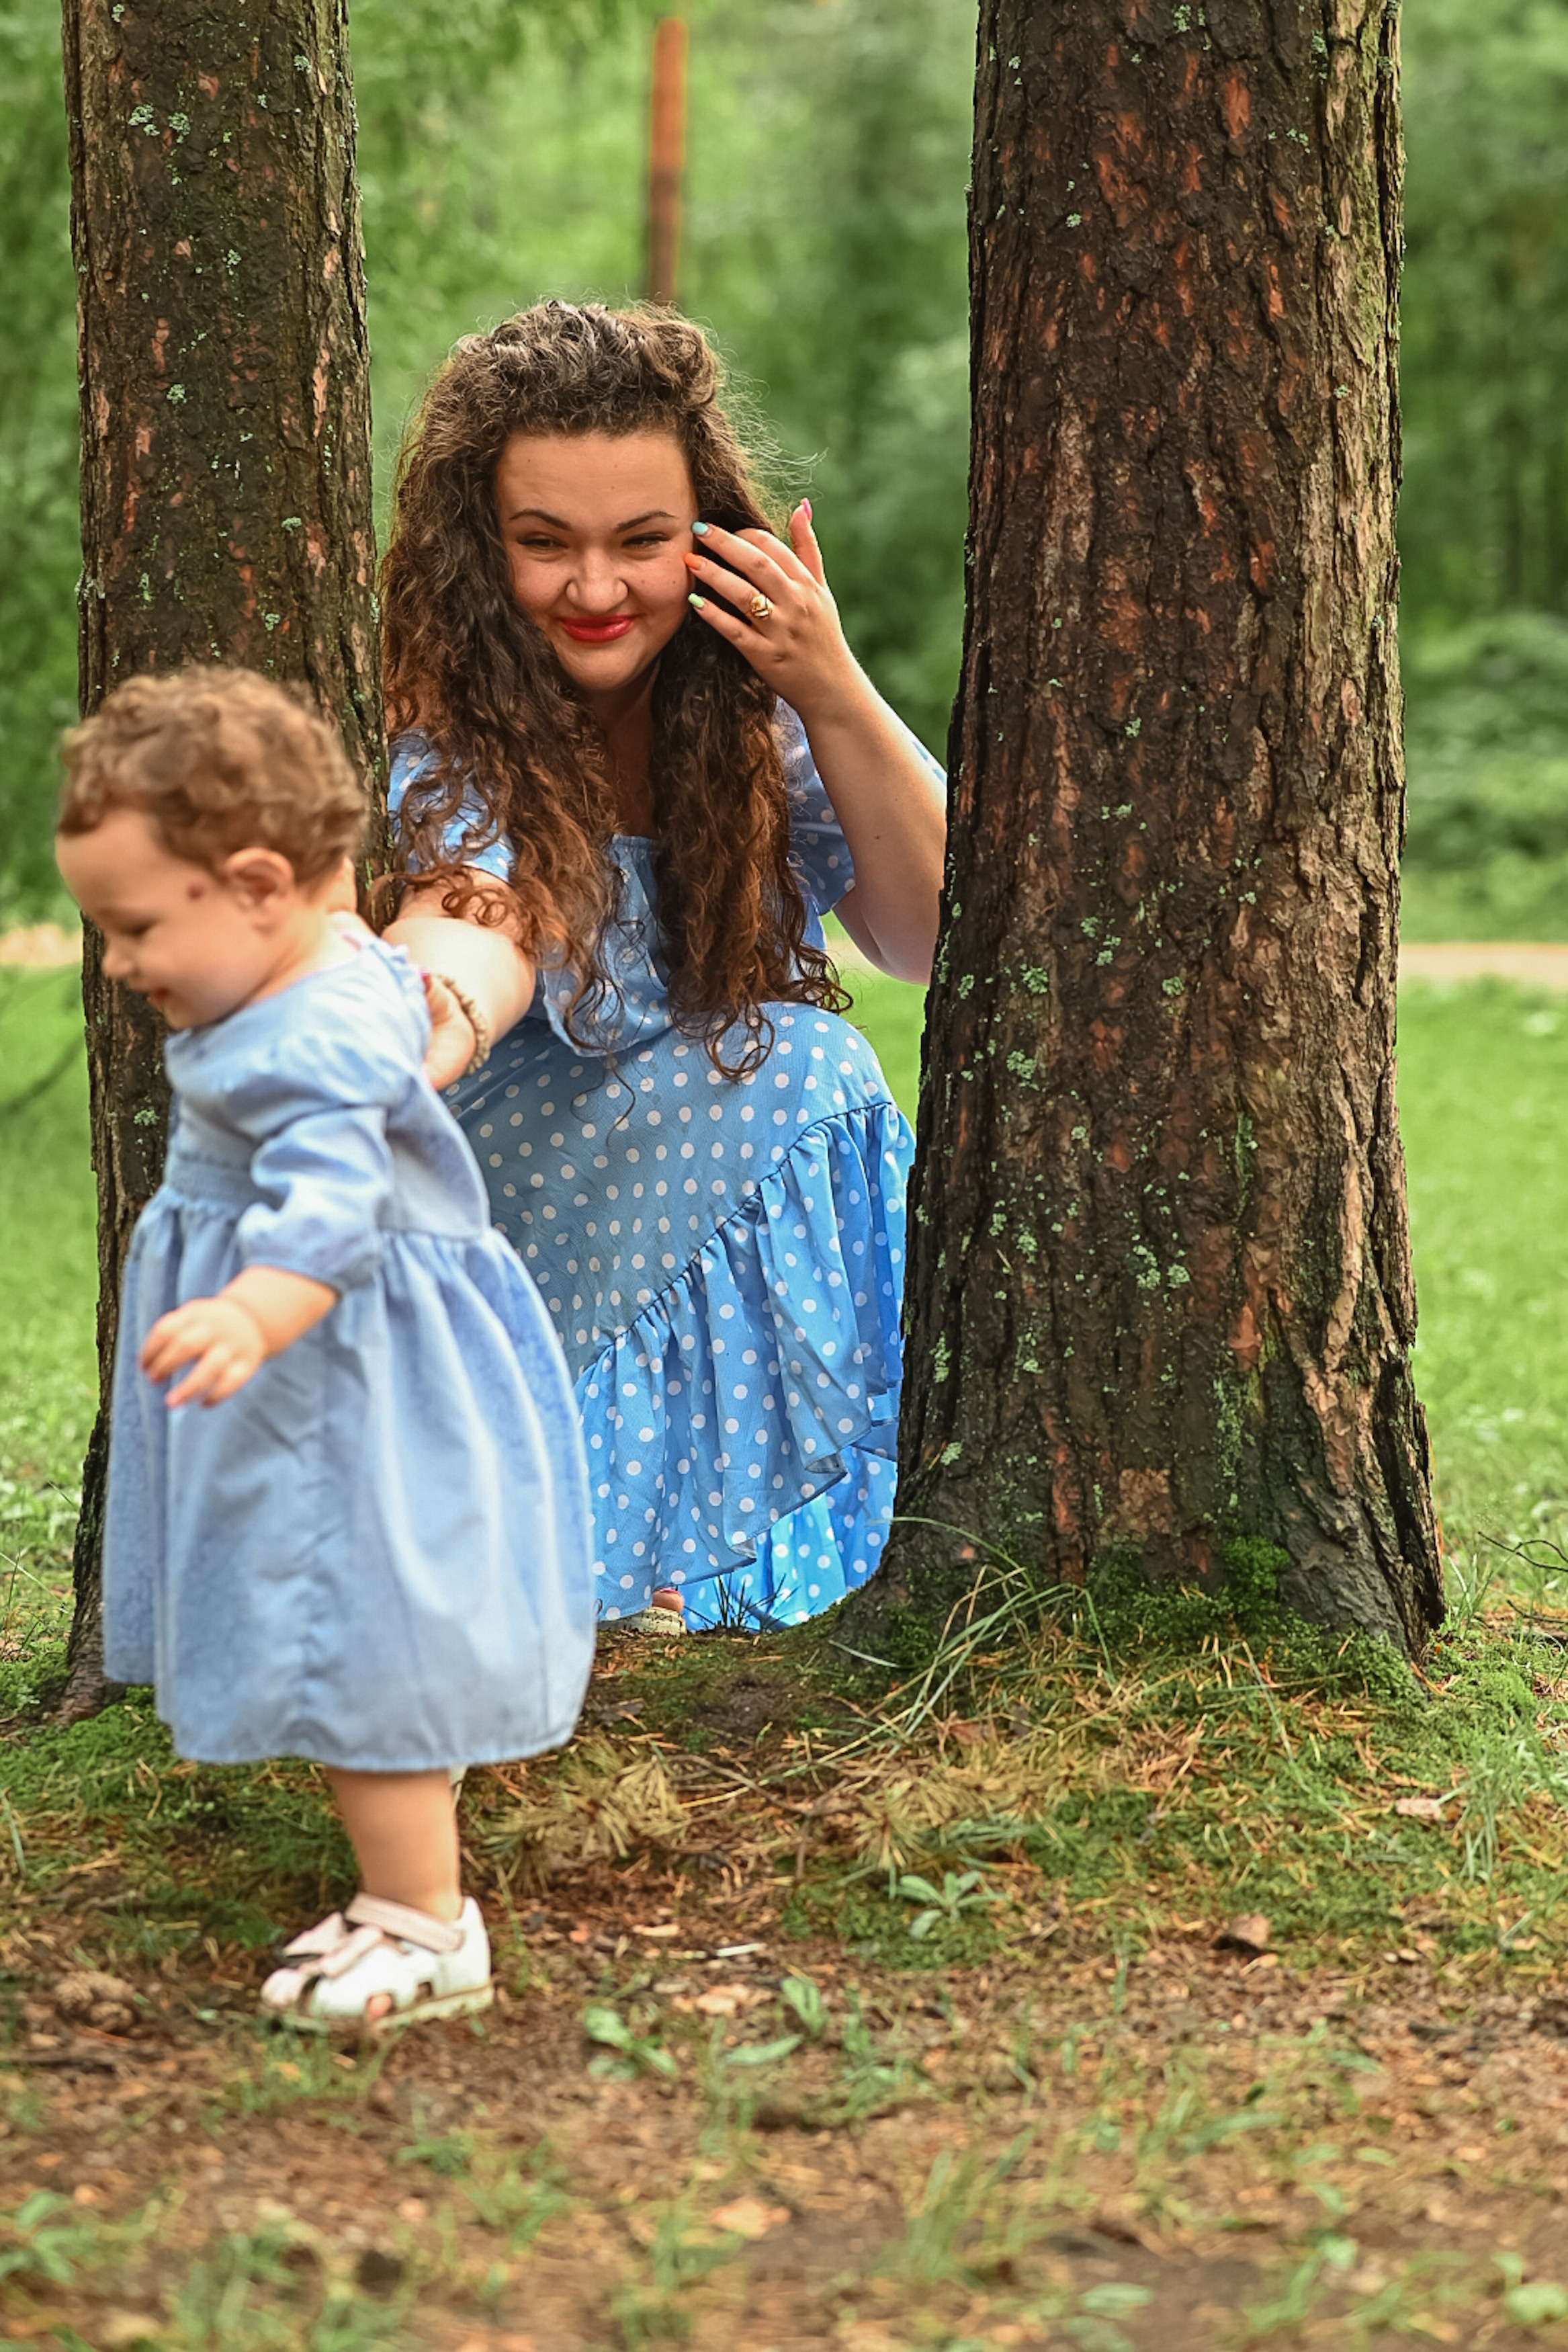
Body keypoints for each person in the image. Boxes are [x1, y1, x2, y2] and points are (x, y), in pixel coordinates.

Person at [380, 300, 947, 1634]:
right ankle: (597, 1552)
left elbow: (926, 935)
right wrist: (411, 1025)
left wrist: (831, 682)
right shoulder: (458, 721)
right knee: (804, 1069)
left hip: (695, 1147)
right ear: (482, 545)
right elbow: (477, 921)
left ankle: (674, 1553)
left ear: (708, 537)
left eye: (641, 541)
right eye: (544, 543)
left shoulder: (753, 712)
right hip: (510, 1164)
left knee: (821, 1076)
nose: (595, 589)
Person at [55, 667, 593, 2030]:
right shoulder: (329, 967)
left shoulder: (311, 1036)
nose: (119, 964)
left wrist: (250, 1307)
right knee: (365, 1626)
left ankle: (424, 1922)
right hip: (339, 1367)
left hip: (344, 1374)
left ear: (253, 885)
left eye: (130, 928)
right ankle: (398, 1889)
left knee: (363, 1643)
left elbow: (340, 1198)